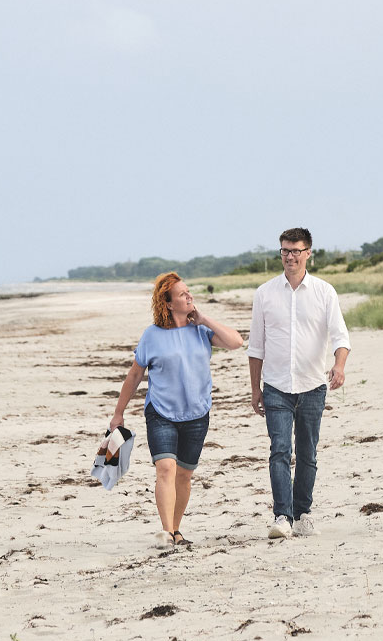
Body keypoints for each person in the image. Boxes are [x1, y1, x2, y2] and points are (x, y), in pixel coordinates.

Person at [109, 272, 244, 547]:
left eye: (188, 292)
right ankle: (166, 532)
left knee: (184, 474)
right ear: (169, 304)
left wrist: (204, 318)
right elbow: (134, 376)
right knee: (166, 469)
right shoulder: (152, 335)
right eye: (182, 294)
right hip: (160, 413)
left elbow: (236, 342)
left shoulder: (202, 331)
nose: (189, 296)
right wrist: (118, 413)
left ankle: (177, 528)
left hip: (196, 413)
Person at [248, 227, 351, 539]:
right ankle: (282, 515)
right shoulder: (264, 293)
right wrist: (256, 388)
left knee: (307, 453)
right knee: (279, 450)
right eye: (285, 251)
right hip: (276, 386)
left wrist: (339, 365)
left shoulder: (324, 292)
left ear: (309, 254)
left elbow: (340, 336)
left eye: (296, 251)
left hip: (312, 384)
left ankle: (303, 513)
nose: (290, 256)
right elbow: (256, 346)